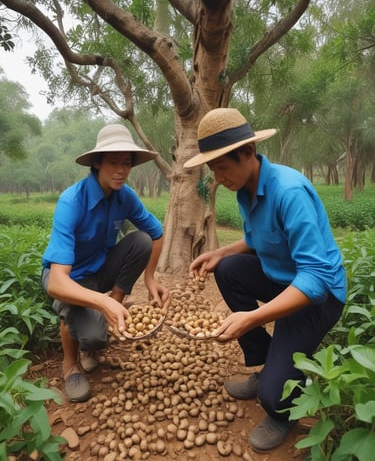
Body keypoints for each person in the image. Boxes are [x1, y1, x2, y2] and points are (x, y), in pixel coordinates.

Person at [184, 108, 346, 452]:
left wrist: (254, 317)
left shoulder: (289, 192)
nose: (218, 178)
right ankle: (271, 361)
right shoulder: (245, 188)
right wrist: (221, 253)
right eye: (213, 170)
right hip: (284, 279)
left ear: (247, 153)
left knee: (273, 397)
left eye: (222, 167)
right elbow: (261, 241)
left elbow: (315, 278)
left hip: (317, 296)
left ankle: (282, 412)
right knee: (228, 270)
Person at [42, 124, 169, 403]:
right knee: (96, 335)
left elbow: (156, 233)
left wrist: (150, 279)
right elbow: (55, 281)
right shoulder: (71, 202)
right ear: (97, 162)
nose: (121, 170)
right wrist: (102, 303)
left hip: (101, 267)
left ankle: (110, 310)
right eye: (114, 162)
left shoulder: (125, 196)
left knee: (141, 241)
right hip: (69, 277)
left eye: (127, 163)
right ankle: (70, 364)